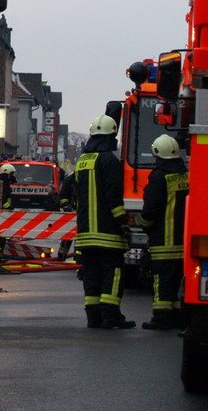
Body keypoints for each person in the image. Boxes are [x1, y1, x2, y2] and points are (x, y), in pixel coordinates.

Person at [72, 114, 133, 329]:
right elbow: (113, 196)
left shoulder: (82, 160)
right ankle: (111, 316)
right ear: (112, 135)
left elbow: (74, 190)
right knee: (113, 272)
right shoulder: (109, 160)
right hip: (107, 233)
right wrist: (123, 222)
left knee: (91, 274)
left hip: (85, 233)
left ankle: (93, 317)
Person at [137, 134, 189, 330]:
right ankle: (176, 316)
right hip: (182, 242)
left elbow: (151, 209)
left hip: (164, 242)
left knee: (161, 281)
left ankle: (160, 318)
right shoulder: (186, 175)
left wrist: (143, 223)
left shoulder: (159, 177)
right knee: (176, 281)